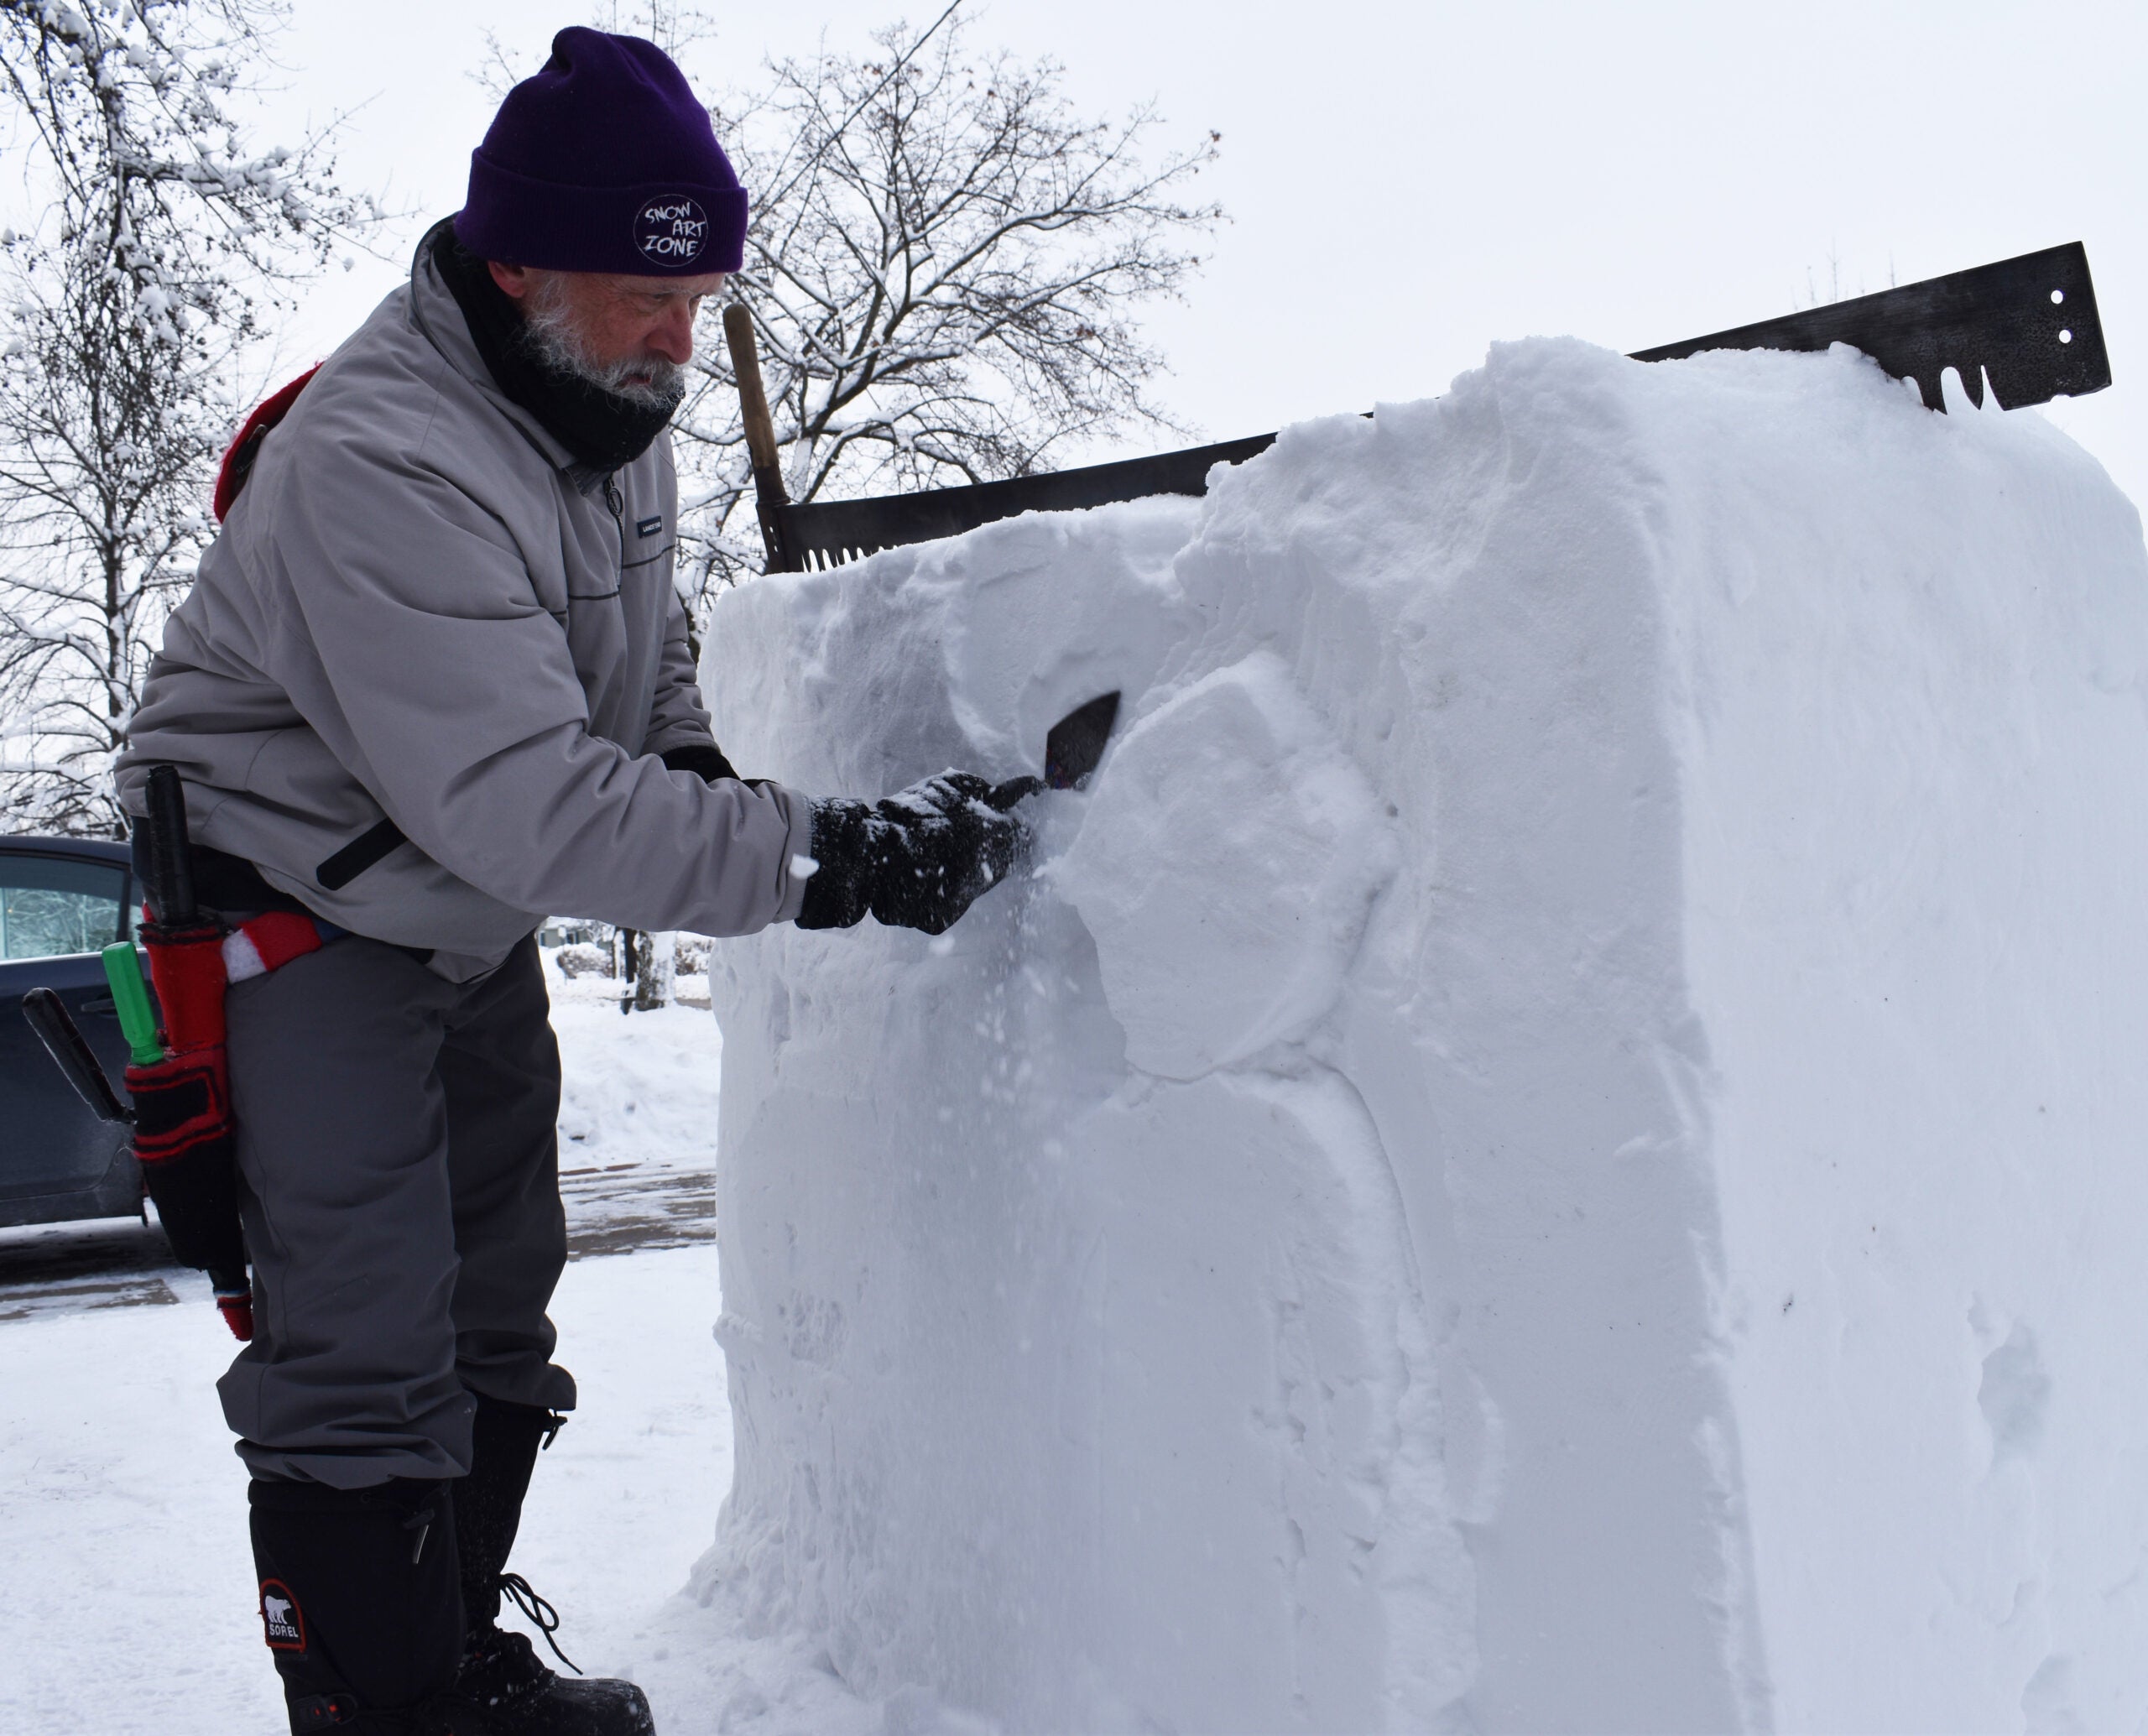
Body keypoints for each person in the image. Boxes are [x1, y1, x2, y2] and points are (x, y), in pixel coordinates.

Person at [115, 28, 1026, 1736]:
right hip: (291, 923)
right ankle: (384, 1716)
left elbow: (636, 685)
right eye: (643, 297)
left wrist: (697, 777)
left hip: (451, 916)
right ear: (521, 260)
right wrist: (837, 856)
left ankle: (445, 1660)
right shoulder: (381, 460)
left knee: (497, 1305)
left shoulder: (606, 402)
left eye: (700, 303)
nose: (681, 339)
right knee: (363, 1346)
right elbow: (527, 804)